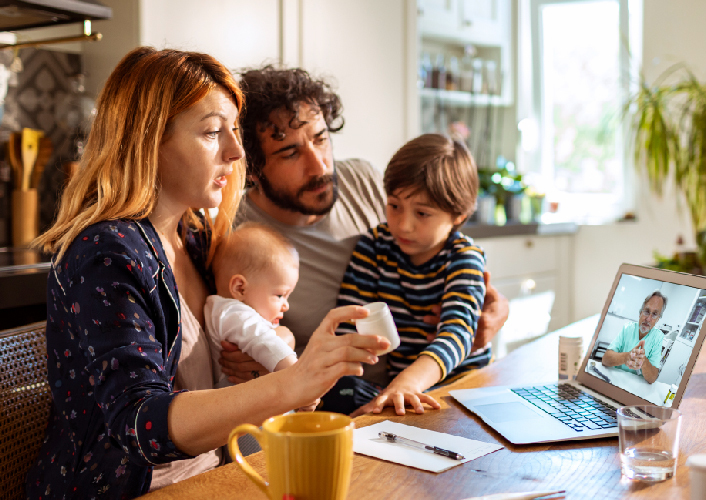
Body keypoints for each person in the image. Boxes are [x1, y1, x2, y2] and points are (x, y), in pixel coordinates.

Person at [26, 47, 387, 499]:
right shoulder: (106, 254)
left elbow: (247, 334)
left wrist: (274, 351)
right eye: (214, 131)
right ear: (148, 141)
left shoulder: (197, 239)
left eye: (233, 131)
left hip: (214, 478)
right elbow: (140, 423)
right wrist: (290, 383)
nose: (236, 152)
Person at [231, 66, 510, 415]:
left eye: (320, 138)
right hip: (346, 392)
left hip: (443, 385)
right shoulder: (236, 235)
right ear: (252, 168)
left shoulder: (362, 178)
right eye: (290, 153)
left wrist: (491, 312)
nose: (318, 166)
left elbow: (460, 302)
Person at [328, 133, 491, 416]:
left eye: (422, 214)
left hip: (461, 391)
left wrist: (407, 383)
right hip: (402, 391)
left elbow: (458, 333)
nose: (403, 225)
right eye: (394, 206)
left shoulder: (464, 257)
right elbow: (347, 325)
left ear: (458, 215)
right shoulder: (374, 246)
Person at [204, 223, 314, 412]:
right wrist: (302, 382)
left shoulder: (230, 311)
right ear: (240, 288)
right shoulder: (231, 313)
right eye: (280, 295)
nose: (286, 305)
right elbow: (266, 343)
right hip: (243, 421)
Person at [602, 291, 667, 384]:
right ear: (640, 312)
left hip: (636, 386)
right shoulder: (627, 328)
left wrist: (643, 361)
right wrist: (626, 357)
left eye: (654, 314)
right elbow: (605, 359)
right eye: (647, 311)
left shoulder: (658, 337)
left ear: (658, 319)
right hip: (615, 380)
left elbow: (652, 378)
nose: (648, 319)